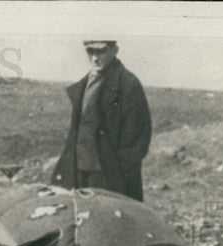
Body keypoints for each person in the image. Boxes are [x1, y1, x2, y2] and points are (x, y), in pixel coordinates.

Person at [51, 40, 152, 202]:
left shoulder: (128, 84)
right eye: (90, 52)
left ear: (115, 50)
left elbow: (137, 138)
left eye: (100, 52)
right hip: (79, 172)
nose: (95, 58)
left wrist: (119, 174)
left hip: (109, 176)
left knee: (111, 222)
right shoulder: (86, 83)